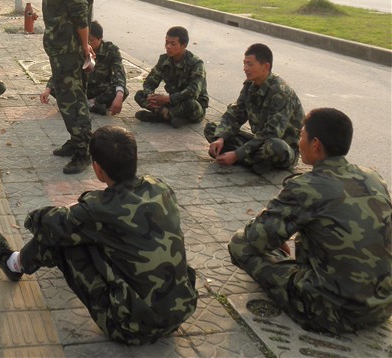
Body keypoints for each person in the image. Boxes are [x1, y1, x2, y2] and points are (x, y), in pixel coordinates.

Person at [0, 126, 198, 345]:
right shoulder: (160, 187)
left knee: (62, 237)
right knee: (85, 231)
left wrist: (74, 208)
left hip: (129, 328)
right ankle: (19, 262)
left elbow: (44, 223)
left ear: (97, 168)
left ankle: (14, 264)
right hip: (180, 311)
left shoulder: (98, 209)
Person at [228, 108, 391, 334]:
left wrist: (270, 229)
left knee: (239, 242)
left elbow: (256, 238)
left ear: (315, 144)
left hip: (332, 312)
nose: (298, 141)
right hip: (382, 306)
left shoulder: (307, 186)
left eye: (302, 135)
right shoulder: (373, 178)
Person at [39, 0, 94, 175]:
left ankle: (84, 151)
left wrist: (85, 47)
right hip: (58, 49)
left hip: (70, 51)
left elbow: (81, 19)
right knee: (64, 98)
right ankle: (75, 139)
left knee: (74, 100)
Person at [204, 43, 304, 175]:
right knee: (212, 129)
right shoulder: (250, 85)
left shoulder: (281, 92)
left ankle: (241, 159)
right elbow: (235, 114)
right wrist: (220, 138)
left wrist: (237, 154)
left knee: (275, 146)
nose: (245, 68)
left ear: (266, 66)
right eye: (244, 63)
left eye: (250, 64)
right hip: (258, 142)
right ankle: (256, 162)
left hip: (280, 147)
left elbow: (271, 133)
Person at [41, 21, 127, 116]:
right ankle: (92, 106)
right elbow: (62, 69)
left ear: (100, 39)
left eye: (92, 40)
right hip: (80, 88)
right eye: (87, 40)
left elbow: (119, 72)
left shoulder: (111, 50)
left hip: (100, 90)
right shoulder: (78, 47)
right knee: (57, 86)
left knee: (121, 90)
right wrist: (48, 89)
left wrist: (119, 95)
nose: (88, 43)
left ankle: (89, 104)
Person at [134, 26, 209, 128]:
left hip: (192, 106)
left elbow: (193, 91)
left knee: (191, 104)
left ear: (184, 45)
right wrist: (150, 95)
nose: (168, 46)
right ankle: (169, 116)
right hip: (173, 104)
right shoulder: (164, 60)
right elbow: (149, 82)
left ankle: (160, 116)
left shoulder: (196, 63)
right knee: (140, 95)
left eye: (173, 44)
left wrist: (168, 99)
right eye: (166, 43)